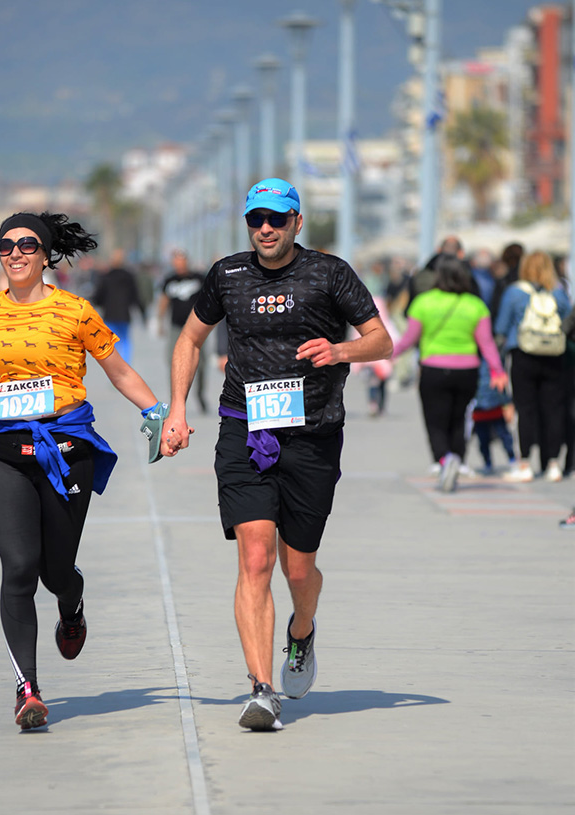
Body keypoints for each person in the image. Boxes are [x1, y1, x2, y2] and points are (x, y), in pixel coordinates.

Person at [160, 178, 393, 731]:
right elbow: (189, 339)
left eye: (277, 219)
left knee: (299, 567)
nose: (265, 228)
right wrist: (177, 409)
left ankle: (302, 631)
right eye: (256, 219)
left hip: (313, 436)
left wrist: (340, 350)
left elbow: (382, 340)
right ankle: (262, 690)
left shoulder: (330, 273)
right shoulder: (227, 275)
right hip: (245, 430)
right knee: (256, 558)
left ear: (296, 223)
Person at [0, 211, 164, 731]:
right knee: (19, 568)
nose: (15, 254)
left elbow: (117, 369)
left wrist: (157, 413)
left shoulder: (75, 311)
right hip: (5, 447)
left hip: (66, 447)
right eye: (6, 246)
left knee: (55, 571)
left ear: (45, 255)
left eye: (26, 245)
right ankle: (28, 690)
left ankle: (71, 600)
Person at [392, 256, 508, 492]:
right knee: (459, 419)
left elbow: (409, 339)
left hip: (434, 370)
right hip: (467, 371)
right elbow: (487, 343)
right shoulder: (475, 305)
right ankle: (457, 458)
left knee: (435, 421)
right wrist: (497, 370)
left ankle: (445, 460)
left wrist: (388, 353)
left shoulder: (423, 302)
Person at [495, 251, 571, 483]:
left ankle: (525, 464)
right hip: (554, 355)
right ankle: (553, 464)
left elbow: (501, 327)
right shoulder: (558, 293)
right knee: (553, 410)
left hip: (523, 354)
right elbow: (568, 322)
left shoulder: (515, 292)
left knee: (525, 410)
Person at [156, 249, 208, 412]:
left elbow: (209, 299)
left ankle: (200, 394)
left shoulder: (198, 278)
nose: (179, 265)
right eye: (176, 262)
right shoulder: (170, 280)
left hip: (197, 327)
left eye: (181, 262)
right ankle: (176, 399)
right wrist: (160, 321)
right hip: (176, 326)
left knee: (201, 363)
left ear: (187, 262)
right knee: (173, 360)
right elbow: (164, 300)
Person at [92, 248, 146, 363]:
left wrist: (97, 303)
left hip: (110, 314)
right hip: (124, 314)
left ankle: (114, 365)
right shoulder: (129, 276)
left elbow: (98, 296)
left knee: (111, 341)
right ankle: (126, 363)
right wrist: (142, 312)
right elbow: (135, 296)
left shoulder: (106, 277)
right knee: (125, 340)